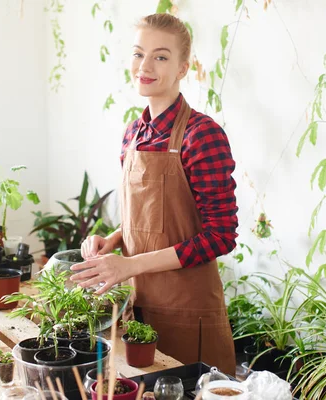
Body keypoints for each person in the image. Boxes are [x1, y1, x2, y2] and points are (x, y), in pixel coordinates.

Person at [70, 13, 238, 375]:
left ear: (183, 67)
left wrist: (130, 265)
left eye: (160, 56)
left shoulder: (201, 136)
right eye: (137, 53)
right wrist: (113, 240)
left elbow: (220, 237)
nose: (144, 66)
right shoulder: (133, 134)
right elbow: (150, 219)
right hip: (139, 305)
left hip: (188, 312)